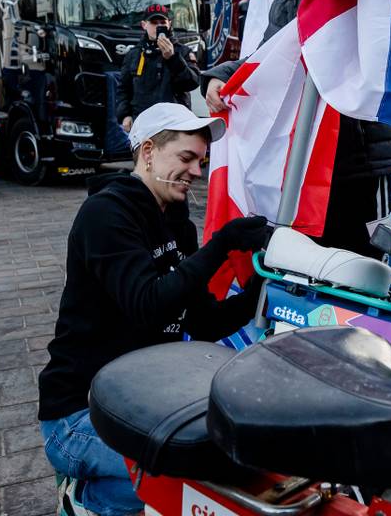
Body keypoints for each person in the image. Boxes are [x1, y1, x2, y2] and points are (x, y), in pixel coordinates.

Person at [37, 102, 268, 515]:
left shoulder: (177, 220)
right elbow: (148, 305)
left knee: (236, 468)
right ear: (147, 151)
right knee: (194, 483)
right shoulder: (105, 214)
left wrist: (260, 292)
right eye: (186, 157)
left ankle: (113, 495)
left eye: (201, 160)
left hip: (144, 399)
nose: (197, 171)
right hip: (78, 412)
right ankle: (85, 500)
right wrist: (221, 246)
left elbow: (201, 321)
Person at [201, 0, 391, 257]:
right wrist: (219, 78)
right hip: (306, 158)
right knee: (317, 260)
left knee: (365, 261)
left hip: (359, 157)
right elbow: (264, 59)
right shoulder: (283, 3)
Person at [115, 4, 199, 133]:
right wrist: (124, 115)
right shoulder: (134, 54)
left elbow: (192, 82)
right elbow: (123, 89)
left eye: (162, 22)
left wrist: (173, 59)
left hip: (175, 123)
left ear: (169, 24)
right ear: (144, 25)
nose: (159, 26)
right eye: (154, 22)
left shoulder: (183, 51)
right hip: (142, 122)